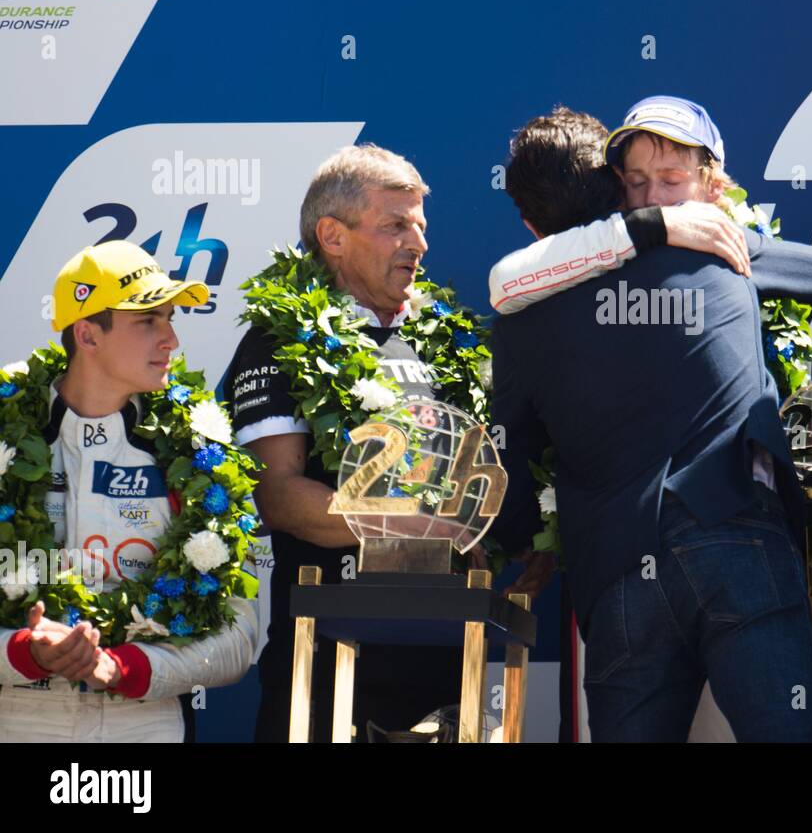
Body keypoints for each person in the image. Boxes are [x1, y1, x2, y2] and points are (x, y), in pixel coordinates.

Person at [489, 106, 812, 741]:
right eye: (640, 182)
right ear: (615, 187)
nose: (653, 195)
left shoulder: (521, 309)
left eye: (667, 178)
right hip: (737, 538)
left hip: (616, 569)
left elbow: (511, 456)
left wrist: (525, 541)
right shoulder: (724, 246)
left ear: (529, 223)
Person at [223, 144, 496, 742]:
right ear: (333, 235)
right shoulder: (280, 340)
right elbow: (277, 496)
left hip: (445, 664)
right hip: (324, 665)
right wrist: (407, 523)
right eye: (395, 225)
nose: (418, 244)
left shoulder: (442, 343)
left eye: (420, 227)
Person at [0, 241, 256, 742]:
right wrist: (23, 652)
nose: (172, 341)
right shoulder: (6, 434)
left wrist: (125, 668)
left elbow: (239, 638)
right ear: (87, 335)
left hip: (143, 722)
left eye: (170, 319)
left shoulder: (199, 453)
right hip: (16, 718)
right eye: (148, 322)